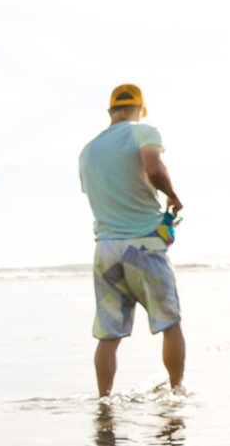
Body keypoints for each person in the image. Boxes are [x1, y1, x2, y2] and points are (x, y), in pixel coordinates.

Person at [79, 83, 186, 396]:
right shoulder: (143, 132)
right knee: (170, 323)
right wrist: (172, 195)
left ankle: (104, 401)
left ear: (111, 111)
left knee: (108, 336)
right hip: (145, 246)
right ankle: (177, 392)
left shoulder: (88, 151)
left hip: (106, 251)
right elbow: (153, 167)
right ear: (141, 109)